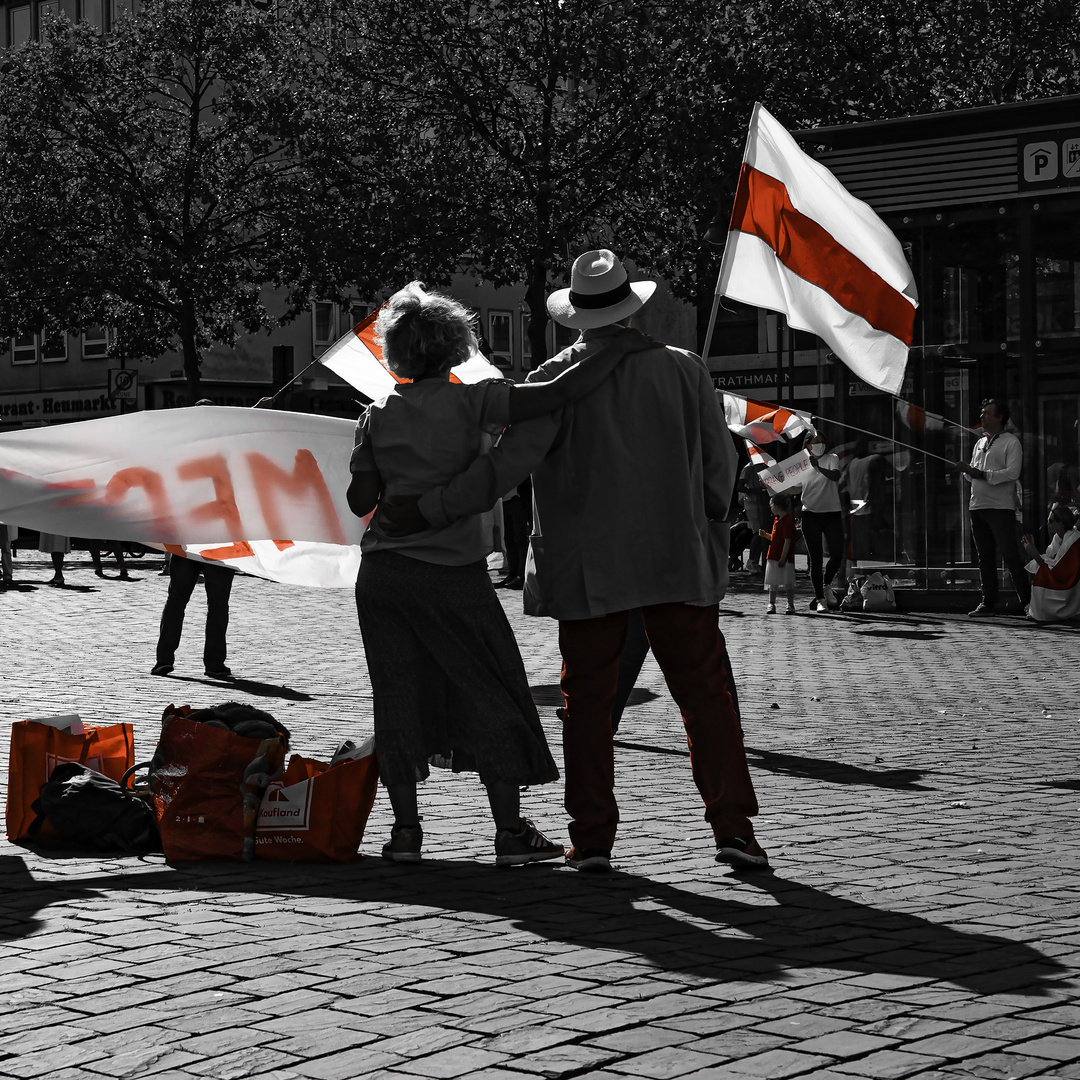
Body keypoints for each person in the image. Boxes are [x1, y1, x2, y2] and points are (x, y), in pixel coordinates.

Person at [381, 249, 767, 874]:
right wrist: (710, 527)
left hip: (592, 568)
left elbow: (505, 470)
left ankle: (591, 840)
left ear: (576, 315)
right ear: (631, 304)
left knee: (587, 705)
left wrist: (427, 507)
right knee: (705, 698)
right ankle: (735, 829)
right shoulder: (683, 369)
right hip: (677, 559)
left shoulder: (556, 377)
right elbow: (718, 472)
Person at [346, 280, 652, 867]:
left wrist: (371, 460)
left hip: (383, 574)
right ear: (456, 345)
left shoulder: (375, 414)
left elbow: (363, 499)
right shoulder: (474, 401)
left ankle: (406, 833)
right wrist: (614, 348)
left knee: (397, 694)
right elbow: (557, 393)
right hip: (451, 573)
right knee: (491, 689)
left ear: (398, 352)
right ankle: (509, 831)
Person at [151, 399, 236, 679]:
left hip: (196, 538)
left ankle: (167, 658)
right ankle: (212, 663)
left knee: (179, 600)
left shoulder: (182, 451)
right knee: (213, 604)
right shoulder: (222, 450)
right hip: (209, 538)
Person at [956, 398, 1031, 617]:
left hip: (1000, 508)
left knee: (1010, 554)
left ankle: (1027, 602)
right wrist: (967, 471)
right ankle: (988, 602)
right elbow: (973, 475)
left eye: (987, 413)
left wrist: (981, 474)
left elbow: (1012, 472)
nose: (982, 415)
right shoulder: (979, 442)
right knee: (984, 556)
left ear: (1000, 418)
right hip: (977, 507)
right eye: (982, 412)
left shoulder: (1011, 442)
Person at [799, 431, 844, 612]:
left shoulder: (831, 458)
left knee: (837, 554)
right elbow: (796, 488)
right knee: (815, 559)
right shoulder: (801, 463)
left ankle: (826, 585)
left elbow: (835, 476)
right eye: (816, 442)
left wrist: (817, 467)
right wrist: (772, 485)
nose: (820, 445)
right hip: (810, 514)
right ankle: (819, 599)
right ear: (808, 445)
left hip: (832, 514)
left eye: (823, 442)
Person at [1021, 503, 1080, 623]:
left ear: (1061, 524)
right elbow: (1048, 559)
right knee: (1038, 568)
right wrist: (1033, 549)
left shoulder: (1074, 540)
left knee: (1041, 571)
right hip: (1066, 579)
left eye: (1051, 521)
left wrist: (1034, 553)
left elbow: (1057, 570)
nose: (1048, 524)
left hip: (1072, 584)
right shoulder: (1058, 538)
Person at [760, 493, 796, 615]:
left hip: (782, 557)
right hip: (773, 555)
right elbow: (776, 539)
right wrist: (766, 535)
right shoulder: (777, 520)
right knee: (772, 582)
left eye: (772, 506)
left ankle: (790, 604)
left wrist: (783, 557)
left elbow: (787, 540)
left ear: (778, 506)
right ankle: (772, 603)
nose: (771, 508)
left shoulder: (787, 521)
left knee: (788, 581)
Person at [737, 461, 770, 573]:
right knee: (758, 532)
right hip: (752, 504)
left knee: (763, 533)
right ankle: (751, 561)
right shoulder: (748, 468)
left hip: (762, 503)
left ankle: (755, 562)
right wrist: (754, 491)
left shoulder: (764, 465)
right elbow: (739, 487)